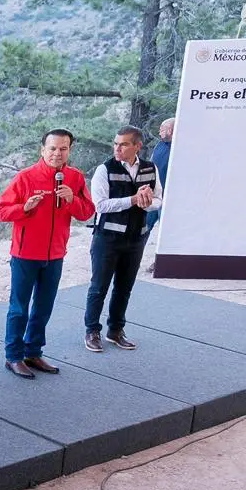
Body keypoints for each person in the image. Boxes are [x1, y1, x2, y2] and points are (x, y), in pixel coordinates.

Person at [0, 129, 95, 379]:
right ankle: (14, 356)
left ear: (69, 150)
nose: (57, 153)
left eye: (63, 148)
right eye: (52, 148)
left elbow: (86, 213)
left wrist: (72, 199)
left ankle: (33, 351)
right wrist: (24, 208)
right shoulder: (26, 177)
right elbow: (0, 211)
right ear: (42, 150)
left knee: (44, 306)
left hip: (55, 255)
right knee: (19, 308)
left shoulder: (75, 177)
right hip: (25, 254)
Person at [84, 126, 162, 353]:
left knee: (124, 287)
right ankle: (92, 331)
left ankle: (116, 330)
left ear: (137, 146)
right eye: (116, 143)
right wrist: (132, 200)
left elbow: (158, 199)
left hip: (137, 237)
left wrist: (148, 202)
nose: (117, 148)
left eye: (124, 144)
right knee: (99, 287)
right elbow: (99, 205)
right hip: (107, 238)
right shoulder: (104, 170)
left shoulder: (151, 167)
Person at [145, 117, 174, 233]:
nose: (159, 132)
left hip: (169, 197)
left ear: (170, 130)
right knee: (143, 227)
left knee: (165, 231)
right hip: (153, 194)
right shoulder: (159, 145)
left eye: (162, 129)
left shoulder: (180, 147)